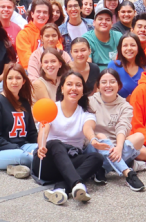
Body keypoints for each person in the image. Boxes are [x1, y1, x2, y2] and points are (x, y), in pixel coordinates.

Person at [33, 71, 105, 205]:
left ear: (83, 90)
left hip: (70, 161)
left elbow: (88, 128)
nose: (74, 88)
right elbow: (44, 128)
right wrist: (42, 144)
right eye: (69, 84)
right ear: (62, 88)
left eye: (78, 85)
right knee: (55, 143)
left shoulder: (86, 113)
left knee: (97, 158)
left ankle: (61, 188)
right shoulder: (52, 107)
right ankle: (77, 183)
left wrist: (93, 140)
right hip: (46, 161)